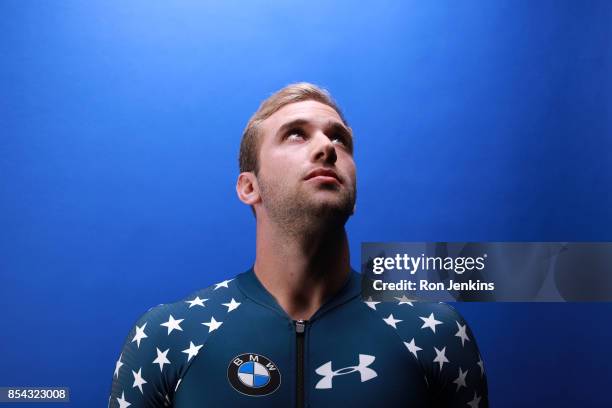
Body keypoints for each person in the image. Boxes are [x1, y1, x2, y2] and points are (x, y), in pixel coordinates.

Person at [109, 83, 489, 407]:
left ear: (354, 195)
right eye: (296, 134)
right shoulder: (168, 336)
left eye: (339, 137)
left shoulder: (433, 331)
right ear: (249, 187)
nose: (327, 147)